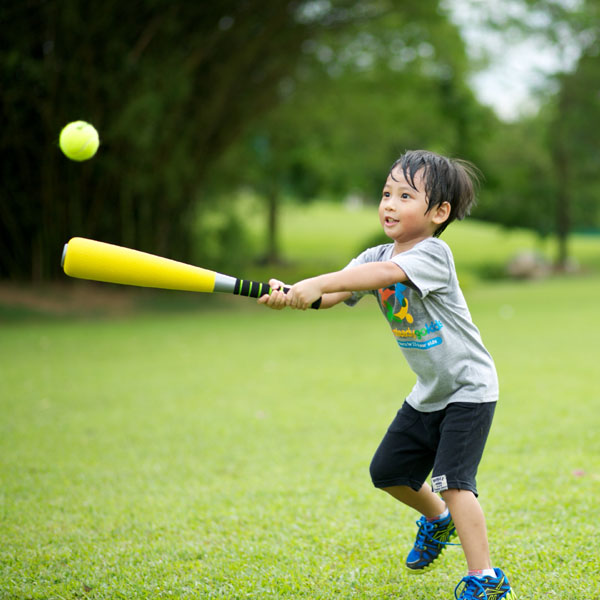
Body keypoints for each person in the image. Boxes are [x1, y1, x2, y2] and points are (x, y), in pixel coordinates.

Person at [258, 149, 515, 599]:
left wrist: (321, 281)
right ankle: (437, 521)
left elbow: (379, 274)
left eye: (405, 196)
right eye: (386, 193)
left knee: (454, 482)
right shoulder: (373, 254)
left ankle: (486, 580)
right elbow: (335, 293)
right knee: (388, 470)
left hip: (470, 387)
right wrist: (292, 292)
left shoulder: (434, 255)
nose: (389, 204)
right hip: (431, 390)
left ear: (439, 212)